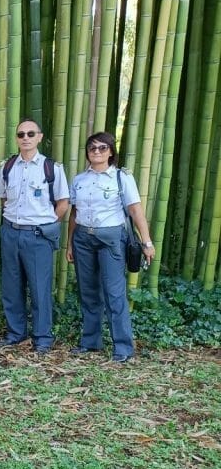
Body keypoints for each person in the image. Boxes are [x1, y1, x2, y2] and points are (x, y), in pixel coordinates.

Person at [66, 132, 154, 362]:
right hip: (83, 238)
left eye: (102, 148)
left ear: (111, 152)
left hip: (112, 239)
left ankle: (123, 348)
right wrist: (70, 243)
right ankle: (90, 342)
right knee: (88, 291)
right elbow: (74, 214)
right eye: (92, 148)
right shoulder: (79, 180)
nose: (96, 152)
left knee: (114, 292)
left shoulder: (121, 178)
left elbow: (135, 211)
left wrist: (147, 242)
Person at [0, 118, 69, 353]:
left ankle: (42, 337)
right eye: (21, 134)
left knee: (39, 287)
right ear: (16, 138)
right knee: (11, 285)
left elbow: (63, 204)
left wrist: (45, 224)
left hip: (38, 236)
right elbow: (3, 198)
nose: (25, 138)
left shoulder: (52, 168)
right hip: (10, 232)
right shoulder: (6, 167)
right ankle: (16, 332)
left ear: (39, 137)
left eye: (30, 134)